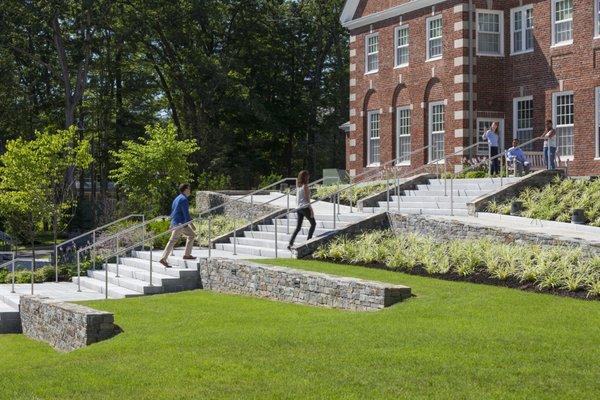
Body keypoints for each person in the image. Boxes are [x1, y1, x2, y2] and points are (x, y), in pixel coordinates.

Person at [160, 183, 197, 268]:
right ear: (185, 189)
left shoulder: (177, 198)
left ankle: (187, 255)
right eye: (189, 188)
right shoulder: (184, 199)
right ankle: (163, 258)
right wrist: (192, 224)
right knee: (173, 240)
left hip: (178, 223)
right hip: (180, 223)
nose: (190, 190)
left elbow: (174, 211)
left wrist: (172, 222)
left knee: (191, 235)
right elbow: (186, 214)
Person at [287, 170, 316, 251]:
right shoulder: (305, 186)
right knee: (313, 224)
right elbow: (307, 200)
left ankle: (290, 244)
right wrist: (311, 210)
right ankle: (308, 241)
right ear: (305, 177)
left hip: (298, 208)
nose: (309, 176)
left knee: (298, 227)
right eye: (307, 175)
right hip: (305, 207)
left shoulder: (298, 186)